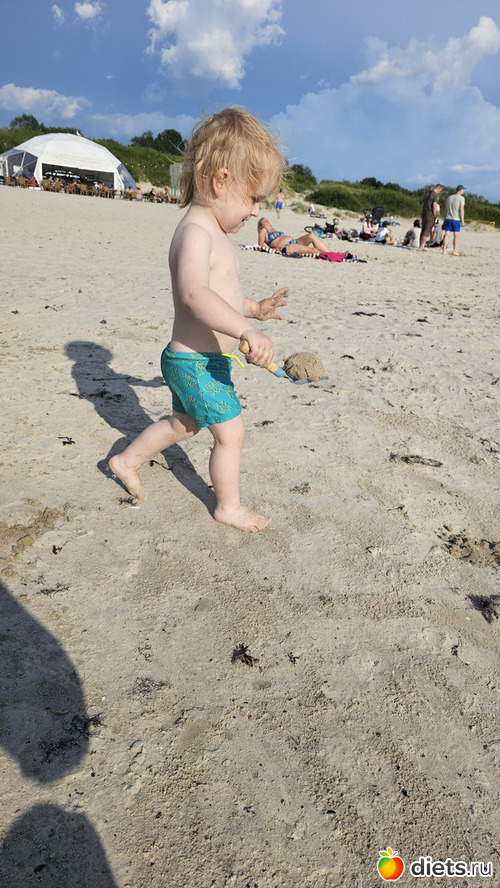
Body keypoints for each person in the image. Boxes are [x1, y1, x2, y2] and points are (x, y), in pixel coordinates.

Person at [109, 107, 288, 532]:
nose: (254, 211)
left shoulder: (216, 233)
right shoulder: (195, 233)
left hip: (202, 362)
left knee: (184, 424)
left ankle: (126, 460)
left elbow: (222, 297)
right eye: (252, 199)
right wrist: (245, 329)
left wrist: (254, 309)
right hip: (195, 363)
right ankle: (228, 506)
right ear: (220, 181)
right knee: (232, 433)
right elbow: (194, 295)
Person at [258, 217, 325, 255]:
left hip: (295, 241)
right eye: (264, 221)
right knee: (313, 250)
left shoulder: (274, 230)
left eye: (266, 220)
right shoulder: (263, 231)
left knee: (311, 235)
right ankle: (327, 255)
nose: (267, 221)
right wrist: (274, 249)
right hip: (288, 247)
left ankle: (329, 254)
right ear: (261, 226)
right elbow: (260, 246)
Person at [418, 183, 443, 250]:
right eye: (440, 191)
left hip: (424, 214)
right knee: (426, 231)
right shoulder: (435, 195)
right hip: (430, 215)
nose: (439, 192)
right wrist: (434, 215)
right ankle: (421, 247)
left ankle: (420, 245)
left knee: (423, 230)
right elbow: (434, 206)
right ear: (439, 188)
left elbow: (422, 205)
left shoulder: (427, 194)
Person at [442, 186, 465, 255]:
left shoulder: (449, 198)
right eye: (463, 190)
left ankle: (444, 250)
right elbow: (461, 210)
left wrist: (444, 220)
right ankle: (455, 250)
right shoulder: (461, 198)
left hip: (448, 218)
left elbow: (445, 210)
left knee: (447, 235)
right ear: (460, 190)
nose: (463, 191)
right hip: (456, 219)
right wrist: (462, 220)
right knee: (456, 235)